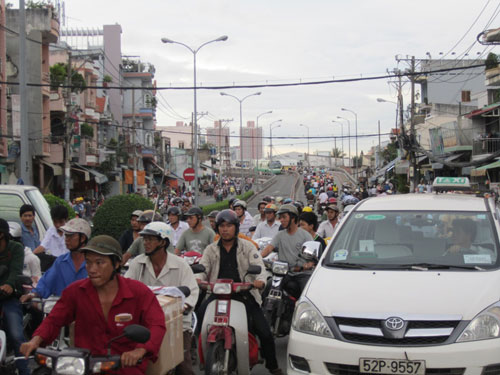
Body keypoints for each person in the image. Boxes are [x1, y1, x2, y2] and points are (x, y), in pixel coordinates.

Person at [20, 235, 167, 375]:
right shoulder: (75, 291)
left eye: (99, 262)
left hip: (125, 368)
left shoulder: (139, 292)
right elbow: (54, 319)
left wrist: (140, 350)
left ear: (116, 264)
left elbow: (157, 325)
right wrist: (35, 340)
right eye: (88, 262)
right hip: (84, 367)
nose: (91, 269)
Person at [195, 210, 283, 375]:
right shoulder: (211, 249)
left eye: (229, 226)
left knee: (264, 331)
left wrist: (259, 281)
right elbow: (203, 267)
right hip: (218, 293)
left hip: (243, 294)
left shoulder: (247, 247)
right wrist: (198, 279)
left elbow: (259, 267)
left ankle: (273, 366)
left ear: (236, 227)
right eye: (222, 226)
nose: (225, 229)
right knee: (199, 318)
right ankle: (200, 356)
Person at [125, 222, 199, 375]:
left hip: (176, 323)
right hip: (144, 324)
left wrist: (184, 307)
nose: (145, 243)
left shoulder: (180, 264)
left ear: (163, 242)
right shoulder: (137, 264)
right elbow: (125, 288)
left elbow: (192, 290)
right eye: (144, 239)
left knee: (183, 366)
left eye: (151, 239)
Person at [20, 218, 90, 301]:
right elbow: (46, 283)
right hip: (64, 309)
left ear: (82, 238)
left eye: (71, 235)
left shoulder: (93, 263)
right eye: (66, 235)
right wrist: (33, 294)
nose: (66, 239)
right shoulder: (61, 261)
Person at [0, 218, 29, 375]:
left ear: (2, 235)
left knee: (16, 335)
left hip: (9, 298)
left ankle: (24, 371)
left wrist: (10, 285)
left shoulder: (16, 248)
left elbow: (15, 271)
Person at [261, 204, 313, 270]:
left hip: (300, 273)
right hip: (282, 271)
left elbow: (312, 258)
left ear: (293, 218)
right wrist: (258, 258)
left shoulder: (305, 235)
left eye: (284, 217)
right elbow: (269, 248)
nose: (281, 220)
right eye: (280, 217)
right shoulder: (280, 235)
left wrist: (308, 265)